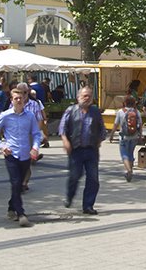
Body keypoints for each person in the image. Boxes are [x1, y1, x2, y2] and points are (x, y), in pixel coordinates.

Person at [0, 87, 41, 227]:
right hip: (11, 154)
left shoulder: (30, 116)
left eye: (21, 98)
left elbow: (36, 133)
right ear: (11, 100)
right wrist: (2, 146)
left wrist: (35, 147)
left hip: (25, 154)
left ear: (24, 99)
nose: (19, 101)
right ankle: (21, 213)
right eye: (16, 98)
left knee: (19, 185)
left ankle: (11, 206)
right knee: (16, 182)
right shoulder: (5, 115)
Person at [59, 85, 104, 215]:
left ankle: (88, 205)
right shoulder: (71, 110)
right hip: (76, 150)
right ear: (78, 97)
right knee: (74, 176)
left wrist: (100, 141)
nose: (87, 98)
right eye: (85, 96)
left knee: (93, 179)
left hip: (91, 150)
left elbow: (101, 128)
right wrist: (65, 141)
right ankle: (70, 196)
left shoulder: (95, 111)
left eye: (89, 96)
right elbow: (62, 127)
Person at [112, 95, 143, 182]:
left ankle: (128, 170)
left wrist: (111, 134)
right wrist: (140, 135)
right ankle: (131, 171)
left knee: (124, 155)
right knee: (130, 154)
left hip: (123, 137)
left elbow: (115, 124)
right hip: (134, 137)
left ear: (124, 102)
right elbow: (140, 125)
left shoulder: (120, 112)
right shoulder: (137, 112)